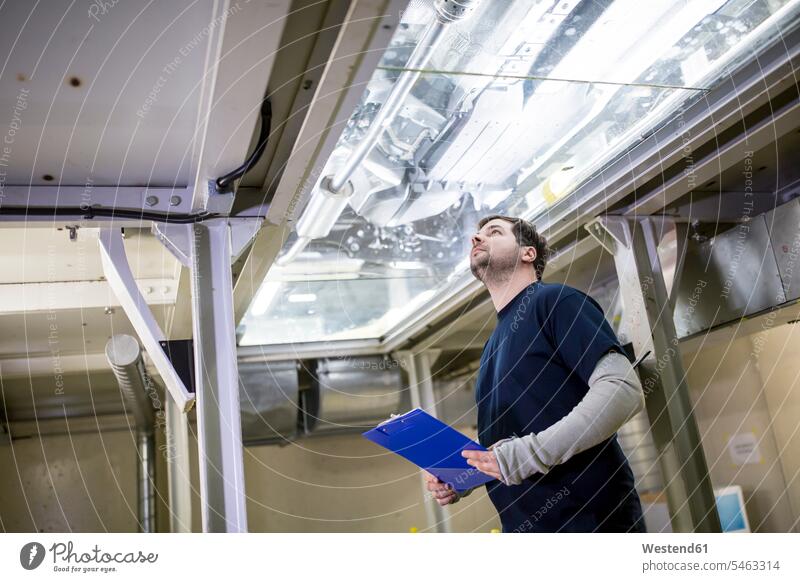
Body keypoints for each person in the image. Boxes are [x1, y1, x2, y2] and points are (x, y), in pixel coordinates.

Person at [425, 215, 647, 532]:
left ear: (528, 253)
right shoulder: (491, 347)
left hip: (589, 522)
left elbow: (622, 389)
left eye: (494, 232)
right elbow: (511, 439)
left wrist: (530, 454)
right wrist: (461, 474)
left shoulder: (556, 302)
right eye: (475, 235)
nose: (476, 239)